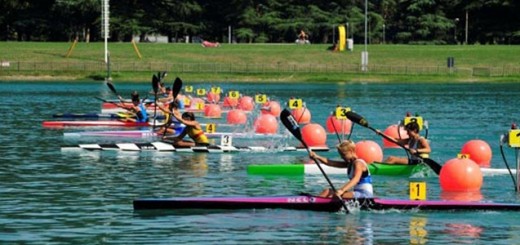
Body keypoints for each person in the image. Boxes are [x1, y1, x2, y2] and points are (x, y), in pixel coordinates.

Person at [309, 140, 373, 198]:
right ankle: (315, 201)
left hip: (365, 195)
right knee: (327, 191)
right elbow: (331, 163)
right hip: (357, 194)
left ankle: (314, 203)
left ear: (351, 151)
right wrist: (317, 157)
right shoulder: (350, 164)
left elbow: (356, 179)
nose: (342, 157)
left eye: (343, 154)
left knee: (331, 194)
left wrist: (342, 190)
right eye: (341, 155)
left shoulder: (358, 163)